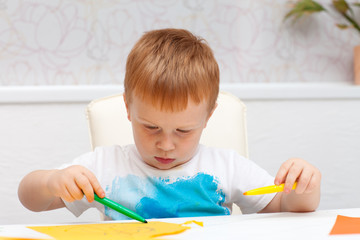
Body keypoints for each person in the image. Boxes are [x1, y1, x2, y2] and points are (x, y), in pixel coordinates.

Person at [18, 28, 321, 220]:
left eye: (183, 131)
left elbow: (286, 208)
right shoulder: (104, 167)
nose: (165, 144)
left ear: (208, 117)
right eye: (150, 127)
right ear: (128, 108)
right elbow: (31, 200)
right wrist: (50, 182)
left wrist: (304, 186)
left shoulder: (226, 166)